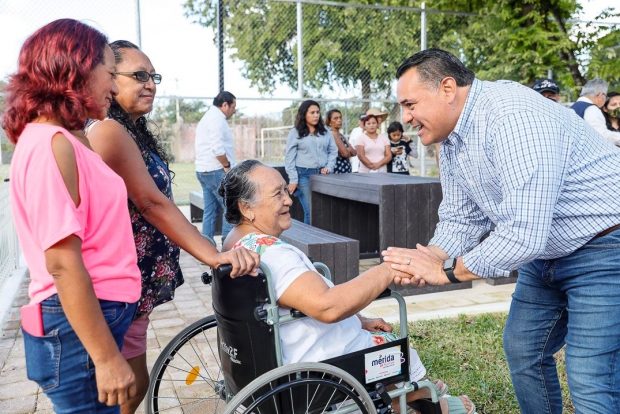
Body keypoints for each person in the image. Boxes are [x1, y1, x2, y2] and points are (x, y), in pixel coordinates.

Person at [382, 48, 620, 414]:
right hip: (546, 255)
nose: (405, 117)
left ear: (447, 88)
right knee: (524, 349)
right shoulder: (452, 139)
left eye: (410, 104)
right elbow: (463, 218)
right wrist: (432, 256)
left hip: (603, 247)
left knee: (590, 376)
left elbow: (524, 233)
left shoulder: (512, 117)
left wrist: (448, 271)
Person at [220, 160, 476, 414]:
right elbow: (327, 306)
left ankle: (408, 397)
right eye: (278, 193)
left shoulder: (235, 244)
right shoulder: (273, 254)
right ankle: (416, 398)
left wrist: (358, 319)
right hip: (316, 363)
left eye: (286, 190)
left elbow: (298, 302)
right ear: (246, 208)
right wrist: (388, 269)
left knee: (373, 332)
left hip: (276, 356)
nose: (288, 199)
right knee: (395, 348)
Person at [85, 41, 259, 413]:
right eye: (139, 76)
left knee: (133, 384)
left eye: (153, 77)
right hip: (111, 286)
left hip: (134, 283)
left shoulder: (129, 131)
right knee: (118, 389)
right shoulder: (108, 130)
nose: (150, 84)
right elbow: (152, 204)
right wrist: (213, 254)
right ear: (107, 78)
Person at [3, 19, 141, 413]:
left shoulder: (65, 138)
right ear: (75, 67)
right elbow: (62, 263)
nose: (114, 87)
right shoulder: (50, 145)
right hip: (77, 328)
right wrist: (107, 359)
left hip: (88, 320)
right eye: (109, 73)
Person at [284, 100, 338, 224]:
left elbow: (333, 151)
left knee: (324, 210)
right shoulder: (295, 132)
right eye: (312, 112)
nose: (316, 115)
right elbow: (289, 158)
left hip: (323, 175)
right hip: (303, 175)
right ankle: (310, 241)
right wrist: (293, 179)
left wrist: (329, 167)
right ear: (304, 114)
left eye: (318, 112)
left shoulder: (325, 131)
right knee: (311, 211)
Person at [195, 91, 238, 240]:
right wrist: (227, 166)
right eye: (233, 107)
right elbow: (217, 148)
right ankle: (227, 247)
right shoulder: (217, 119)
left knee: (210, 212)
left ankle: (205, 248)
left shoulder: (209, 116)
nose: (234, 111)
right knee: (231, 208)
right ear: (225, 104)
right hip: (215, 171)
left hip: (204, 170)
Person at [570, 78, 620, 146]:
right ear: (600, 95)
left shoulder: (572, 108)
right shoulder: (592, 109)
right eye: (605, 97)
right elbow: (601, 135)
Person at [325, 108, 356, 173]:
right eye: (335, 118)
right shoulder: (332, 133)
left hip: (345, 168)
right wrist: (347, 150)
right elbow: (345, 154)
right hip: (338, 169)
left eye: (340, 118)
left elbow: (354, 152)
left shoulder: (340, 135)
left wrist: (346, 150)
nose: (339, 120)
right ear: (329, 122)